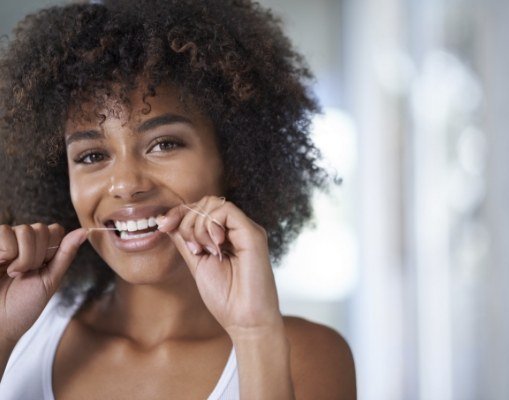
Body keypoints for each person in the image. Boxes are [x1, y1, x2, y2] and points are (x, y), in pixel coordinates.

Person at [0, 0, 356, 398]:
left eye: (164, 144)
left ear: (234, 158)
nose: (126, 184)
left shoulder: (305, 355)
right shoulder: (20, 335)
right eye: (92, 156)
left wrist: (254, 333)